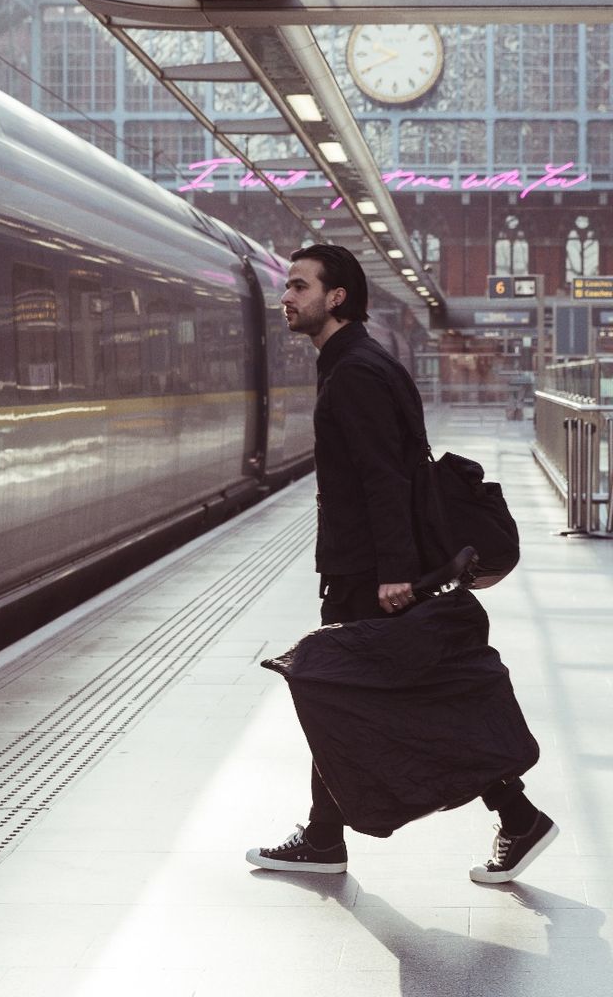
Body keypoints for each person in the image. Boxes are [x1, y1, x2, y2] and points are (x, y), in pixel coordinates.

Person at [245, 243, 558, 882]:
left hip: (370, 573)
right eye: (287, 287)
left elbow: (382, 478)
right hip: (373, 565)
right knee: (364, 690)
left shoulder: (354, 372)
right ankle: (330, 836)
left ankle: (510, 816)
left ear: (336, 297)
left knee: (343, 687)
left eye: (299, 287)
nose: (287, 297)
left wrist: (391, 572)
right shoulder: (358, 361)